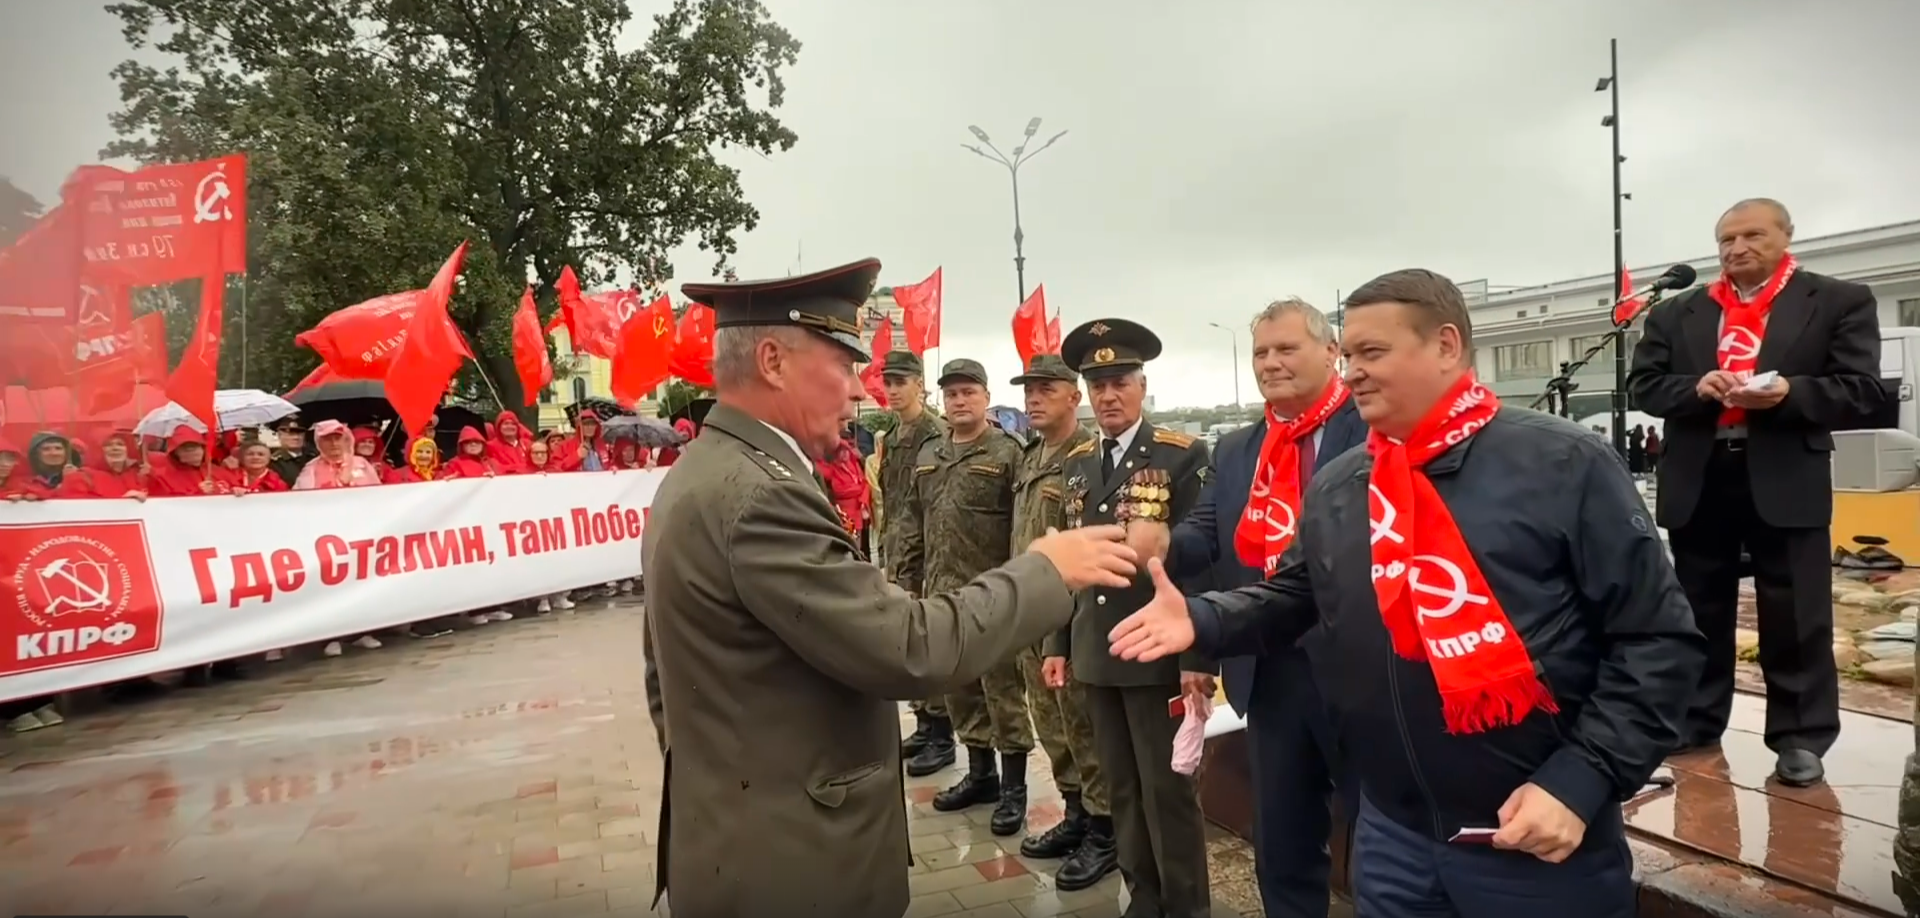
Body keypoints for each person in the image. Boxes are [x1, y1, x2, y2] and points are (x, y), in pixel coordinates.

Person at [1111, 268, 1705, 918]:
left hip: (1533, 836)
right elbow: (1294, 596)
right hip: (1393, 838)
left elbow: (1657, 641)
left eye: (1372, 353)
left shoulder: (1561, 463)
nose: (1354, 371)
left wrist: (1582, 777)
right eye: (1350, 353)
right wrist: (1202, 617)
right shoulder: (1344, 484)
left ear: (1446, 346)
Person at [638, 258, 1140, 918]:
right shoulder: (759, 496)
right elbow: (913, 651)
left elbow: (661, 683)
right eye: (844, 365)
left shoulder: (705, 471)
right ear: (772, 360)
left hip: (746, 841)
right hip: (794, 867)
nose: (859, 391)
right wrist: (1050, 568)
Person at [1627, 198, 1883, 787]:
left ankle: (1800, 737)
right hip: (1701, 474)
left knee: (1796, 613)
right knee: (1697, 610)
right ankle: (1695, 720)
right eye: (1726, 239)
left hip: (1785, 472)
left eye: (1752, 235)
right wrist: (1697, 387)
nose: (1737, 248)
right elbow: (1645, 385)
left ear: (1785, 237)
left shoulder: (1838, 300)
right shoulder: (1677, 313)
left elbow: (1862, 389)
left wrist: (1791, 392)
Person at [1163, 298, 1367, 918]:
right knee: (1282, 842)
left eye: (1287, 349)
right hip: (1274, 673)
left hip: (1364, 674)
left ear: (1331, 352)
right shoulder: (1239, 450)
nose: (1270, 363)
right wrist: (1154, 543)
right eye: (1261, 352)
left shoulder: (1372, 427)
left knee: (1378, 839)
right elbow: (1207, 537)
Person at [1047, 317, 1215, 918]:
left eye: (1119, 381)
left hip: (1157, 655)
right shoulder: (1075, 464)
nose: (1108, 396)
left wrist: (1198, 661)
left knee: (1168, 793)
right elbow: (1070, 564)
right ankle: (1143, 900)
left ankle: (1187, 908)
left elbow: (1200, 562)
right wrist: (1057, 644)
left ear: (1142, 385)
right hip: (1097, 652)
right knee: (1120, 792)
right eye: (1097, 384)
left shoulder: (1179, 455)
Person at [898, 358, 1034, 834]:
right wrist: (905, 578)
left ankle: (1014, 788)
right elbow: (913, 520)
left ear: (985, 396)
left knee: (1004, 693)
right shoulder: (930, 454)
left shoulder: (1009, 451)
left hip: (993, 595)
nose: (960, 401)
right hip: (942, 596)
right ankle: (981, 775)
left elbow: (1023, 525)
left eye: (969, 393)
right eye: (952, 394)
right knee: (959, 689)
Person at [1011, 353, 1118, 890]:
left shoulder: (1089, 456)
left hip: (1074, 621)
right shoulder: (1031, 457)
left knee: (1084, 728)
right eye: (1028, 390)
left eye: (1046, 389)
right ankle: (1076, 814)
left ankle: (1105, 830)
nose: (1034, 398)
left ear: (1073, 397)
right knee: (1051, 729)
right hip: (1033, 618)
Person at [877, 349, 958, 776]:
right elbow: (892, 502)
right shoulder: (893, 436)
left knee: (930, 644)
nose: (892, 390)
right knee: (907, 642)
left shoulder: (935, 432)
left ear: (919, 385)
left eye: (900, 382)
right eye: (888, 383)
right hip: (900, 551)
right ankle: (925, 725)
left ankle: (943, 734)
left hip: (932, 554)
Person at [58, 431, 150, 499]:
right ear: (98, 450)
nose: (115, 448)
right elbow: (74, 507)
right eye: (108, 445)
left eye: (120, 444)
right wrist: (121, 502)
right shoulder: (83, 476)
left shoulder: (140, 475)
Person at [295, 420, 383, 489]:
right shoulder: (311, 468)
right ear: (319, 443)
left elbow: (378, 494)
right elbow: (300, 499)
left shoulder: (362, 464)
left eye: (337, 438)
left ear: (345, 440)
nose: (334, 443)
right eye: (328, 439)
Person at [148, 429, 234, 496]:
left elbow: (239, 487)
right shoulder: (163, 479)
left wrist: (239, 491)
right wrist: (198, 493)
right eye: (186, 449)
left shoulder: (217, 471)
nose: (193, 453)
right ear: (175, 453)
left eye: (195, 447)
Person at [268, 417, 313, 487]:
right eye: (290, 434)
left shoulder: (313, 457)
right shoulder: (273, 463)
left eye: (299, 434)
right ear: (280, 436)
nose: (296, 438)